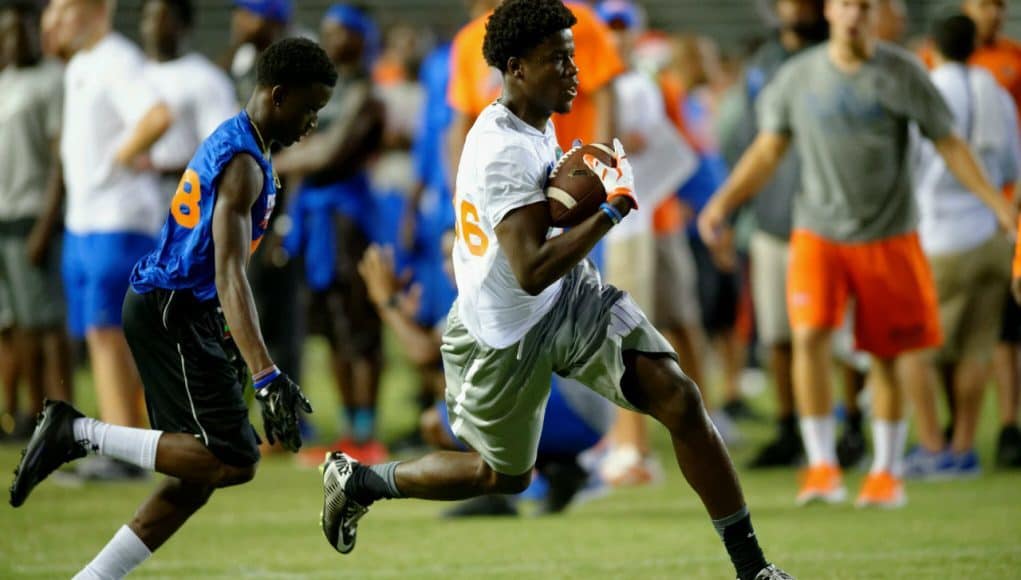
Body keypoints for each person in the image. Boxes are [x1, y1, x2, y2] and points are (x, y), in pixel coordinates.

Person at [320, 3, 791, 579]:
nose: (576, 71)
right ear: (516, 67)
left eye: (573, 56)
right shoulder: (501, 148)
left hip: (565, 298)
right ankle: (361, 480)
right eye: (558, 60)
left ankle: (754, 570)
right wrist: (611, 211)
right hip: (501, 332)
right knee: (502, 476)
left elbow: (544, 254)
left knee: (680, 398)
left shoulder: (532, 119)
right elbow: (530, 268)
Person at [8, 38, 335, 578]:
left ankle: (93, 576)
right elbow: (228, 272)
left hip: (180, 306)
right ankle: (78, 433)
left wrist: (230, 342)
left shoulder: (245, 143)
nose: (312, 123)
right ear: (279, 96)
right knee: (231, 461)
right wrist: (265, 373)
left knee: (199, 476)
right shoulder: (245, 167)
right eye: (309, 108)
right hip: (172, 309)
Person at [699, 0, 1015, 508]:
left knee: (887, 356)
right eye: (845, 4)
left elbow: (949, 142)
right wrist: (724, 203)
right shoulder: (798, 76)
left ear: (877, 15)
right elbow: (767, 150)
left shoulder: (904, 72)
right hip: (817, 232)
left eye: (864, 6)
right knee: (809, 340)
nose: (852, 15)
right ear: (829, 11)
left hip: (888, 233)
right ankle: (822, 466)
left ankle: (886, 473)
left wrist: (998, 203)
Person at [358, 241, 613, 516]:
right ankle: (560, 468)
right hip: (588, 409)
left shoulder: (490, 290)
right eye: (445, 256)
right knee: (455, 388)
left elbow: (423, 353)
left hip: (571, 403)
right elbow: (435, 359)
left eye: (455, 254)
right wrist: (406, 316)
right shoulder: (496, 284)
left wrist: (386, 303)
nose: (448, 266)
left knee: (437, 422)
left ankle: (500, 492)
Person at [50, 0, 173, 480]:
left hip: (117, 217)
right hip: (85, 219)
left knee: (113, 332)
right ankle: (122, 443)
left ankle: (126, 448)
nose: (58, 18)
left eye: (65, 9)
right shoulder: (80, 63)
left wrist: (116, 160)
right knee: (100, 335)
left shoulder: (118, 58)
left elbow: (156, 116)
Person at [903, 14, 1018, 479]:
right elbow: (1011, 166)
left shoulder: (928, 87)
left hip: (937, 236)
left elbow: (909, 163)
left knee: (915, 348)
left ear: (932, 45)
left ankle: (933, 447)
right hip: (990, 234)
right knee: (976, 349)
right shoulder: (997, 89)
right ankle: (965, 447)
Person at [273, 4, 386, 460]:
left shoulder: (366, 94)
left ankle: (367, 430)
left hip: (349, 221)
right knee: (330, 327)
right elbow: (305, 151)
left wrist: (275, 159)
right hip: (313, 221)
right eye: (328, 30)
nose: (331, 37)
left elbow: (327, 154)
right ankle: (347, 428)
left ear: (361, 39)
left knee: (360, 325)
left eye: (341, 31)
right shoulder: (321, 94)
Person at [719, 0, 827, 469]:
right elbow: (746, 143)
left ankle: (846, 429)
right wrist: (734, 208)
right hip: (771, 218)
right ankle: (789, 426)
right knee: (778, 333)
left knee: (833, 338)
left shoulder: (835, 56)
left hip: (828, 219)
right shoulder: (762, 64)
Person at [0, 0, 73, 440]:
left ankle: (57, 411)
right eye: (7, 32)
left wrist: (47, 222)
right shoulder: (4, 80)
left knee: (45, 322)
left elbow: (60, 157)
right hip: (3, 215)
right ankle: (25, 411)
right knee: (15, 323)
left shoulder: (53, 80)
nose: (14, 39)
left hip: (32, 215)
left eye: (22, 30)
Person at [960, 0, 1021, 469]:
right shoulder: (931, 62)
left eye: (1000, 5)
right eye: (986, 3)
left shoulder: (1014, 59)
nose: (995, 13)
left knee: (1005, 325)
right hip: (952, 214)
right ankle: (957, 433)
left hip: (1006, 207)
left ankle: (1007, 425)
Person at [140, 0, 239, 198]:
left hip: (185, 205)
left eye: (163, 18)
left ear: (183, 26)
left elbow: (222, 154)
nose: (154, 26)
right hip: (134, 210)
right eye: (149, 18)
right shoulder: (131, 75)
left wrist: (162, 170)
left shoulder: (206, 78)